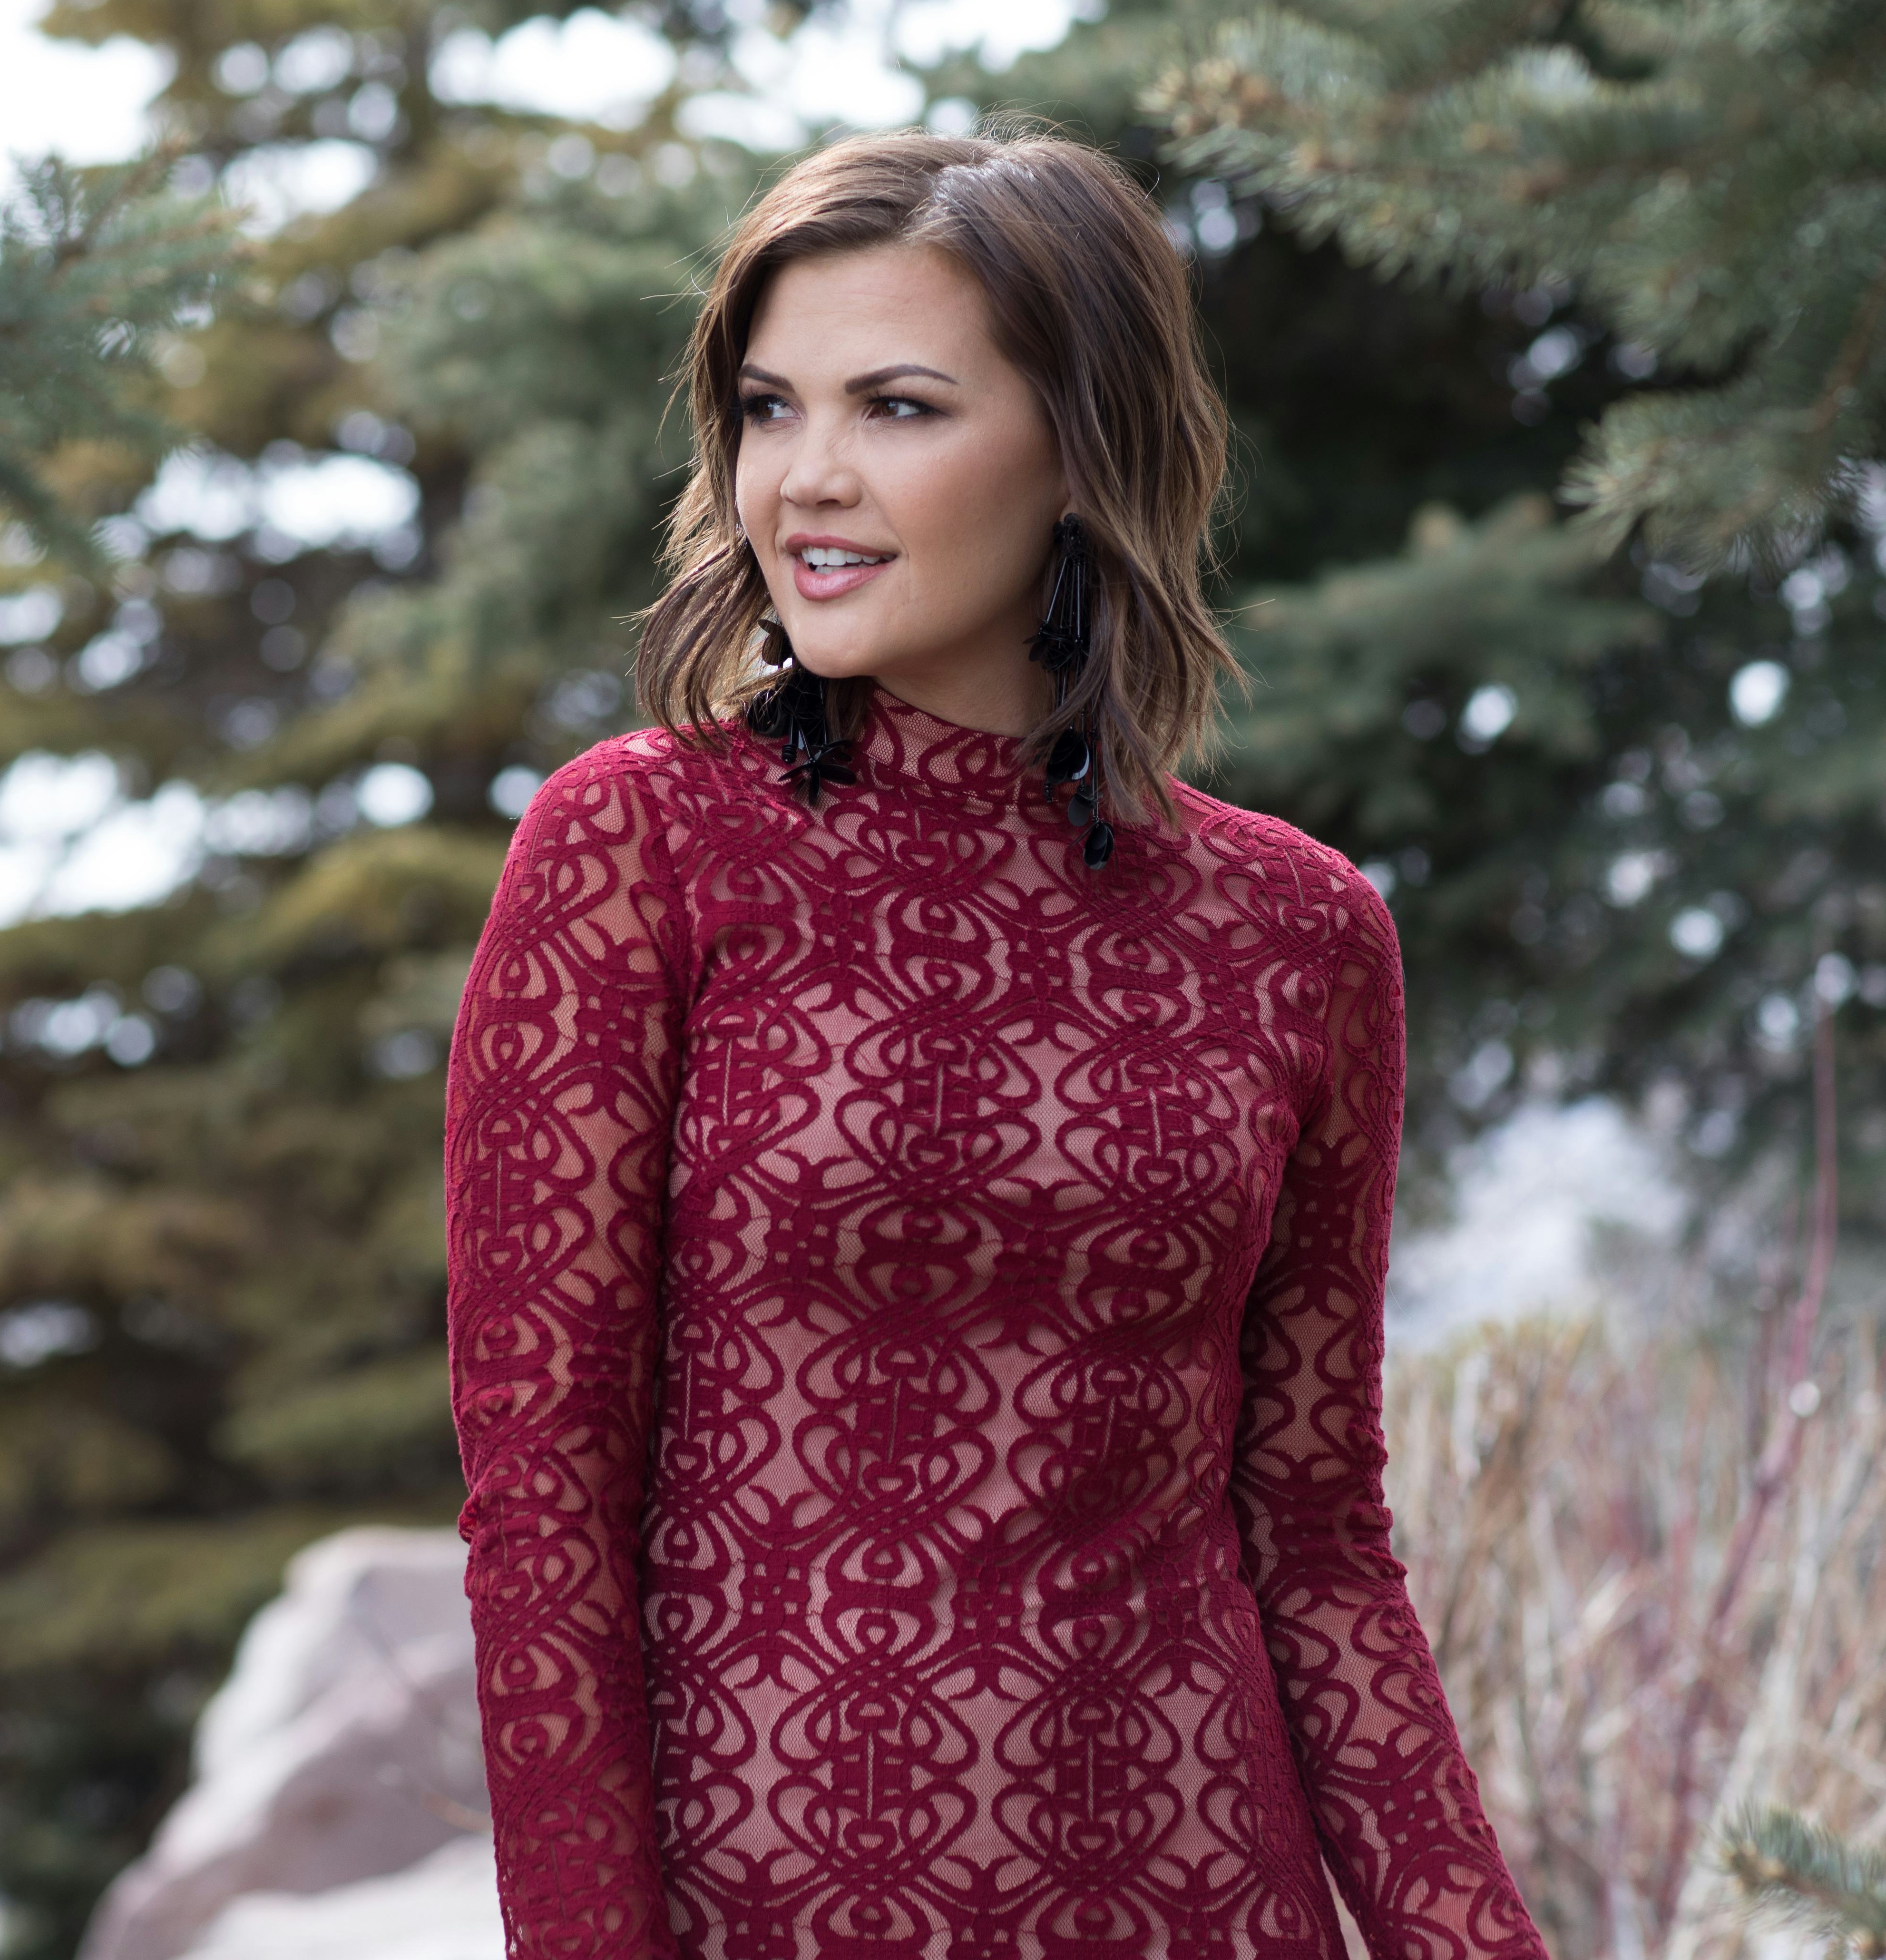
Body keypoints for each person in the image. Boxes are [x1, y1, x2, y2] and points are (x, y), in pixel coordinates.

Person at [444, 125, 1544, 1960]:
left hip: (1210, 1905)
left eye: (895, 407)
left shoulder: (1298, 933)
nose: (807, 478)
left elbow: (1315, 1536)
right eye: (770, 409)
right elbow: (543, 1503)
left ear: (1081, 451)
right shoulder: (642, 846)